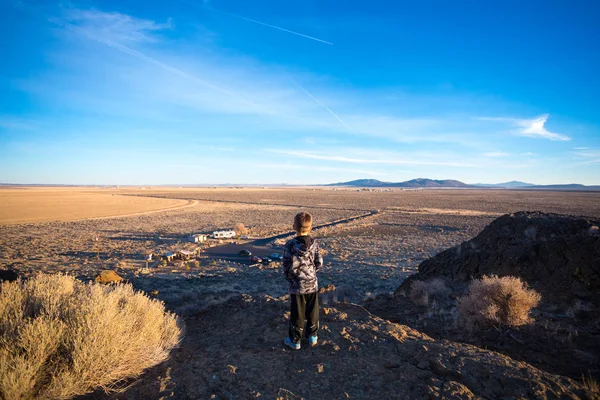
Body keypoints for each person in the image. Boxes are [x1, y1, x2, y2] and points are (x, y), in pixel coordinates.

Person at [282, 212, 323, 350]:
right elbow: (319, 262)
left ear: (294, 227)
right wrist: (311, 273)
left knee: (297, 313)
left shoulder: (289, 245)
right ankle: (312, 336)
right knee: (313, 311)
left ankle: (295, 340)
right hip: (312, 283)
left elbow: (286, 266)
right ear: (310, 228)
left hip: (296, 285)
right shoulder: (315, 244)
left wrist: (291, 278)